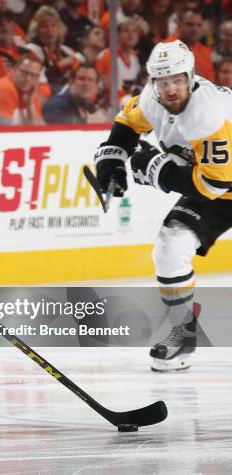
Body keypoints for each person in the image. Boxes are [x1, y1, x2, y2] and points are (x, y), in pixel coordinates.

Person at [92, 40, 232, 372]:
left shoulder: (209, 114)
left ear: (191, 77)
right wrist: (112, 163)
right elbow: (126, 124)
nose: (170, 89)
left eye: (177, 80)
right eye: (163, 81)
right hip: (219, 189)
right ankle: (183, 334)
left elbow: (214, 183)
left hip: (218, 183)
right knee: (170, 247)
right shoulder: (152, 101)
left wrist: (161, 173)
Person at [0, 54, 46, 126]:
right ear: (13, 70)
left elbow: (40, 131)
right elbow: (4, 131)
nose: (28, 79)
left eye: (33, 75)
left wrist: (30, 105)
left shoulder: (31, 92)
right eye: (24, 73)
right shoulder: (4, 89)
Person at [42, 64, 107, 124]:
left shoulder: (89, 107)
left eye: (91, 80)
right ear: (71, 81)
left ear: (96, 86)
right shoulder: (56, 105)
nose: (86, 83)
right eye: (82, 79)